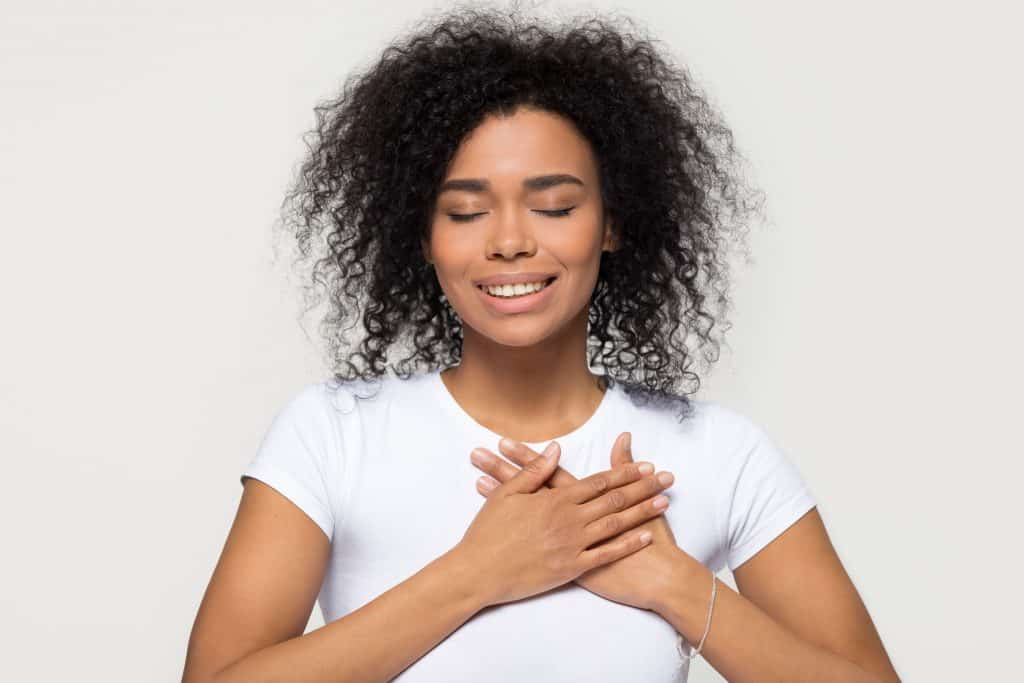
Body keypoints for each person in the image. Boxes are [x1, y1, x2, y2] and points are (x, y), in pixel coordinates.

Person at [183, 5, 900, 682]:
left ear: (612, 223)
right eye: (465, 211)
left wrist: (680, 589)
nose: (510, 241)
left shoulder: (718, 452)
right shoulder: (332, 435)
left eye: (555, 205)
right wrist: (479, 571)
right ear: (424, 239)